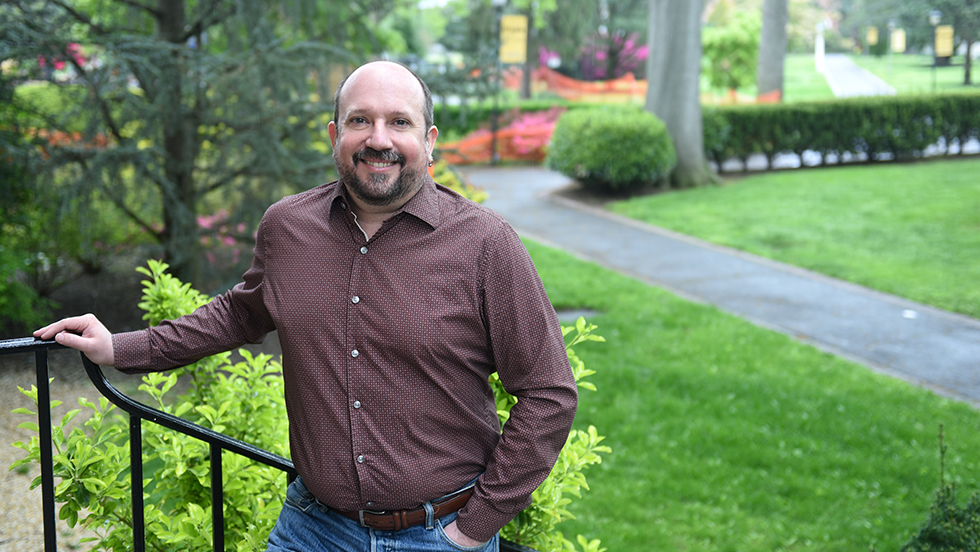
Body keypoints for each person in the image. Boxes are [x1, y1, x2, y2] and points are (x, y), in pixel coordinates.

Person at [34, 60, 578, 552]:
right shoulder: (288, 227)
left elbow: (548, 393)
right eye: (360, 121)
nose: (378, 138)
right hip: (312, 529)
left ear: (429, 140)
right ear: (335, 135)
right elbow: (239, 314)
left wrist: (475, 527)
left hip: (439, 535)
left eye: (400, 122)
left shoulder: (486, 245)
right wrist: (119, 347)